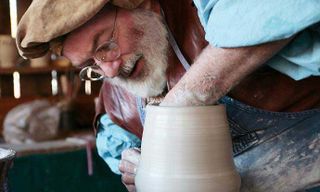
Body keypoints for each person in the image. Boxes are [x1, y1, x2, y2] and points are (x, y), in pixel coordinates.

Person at [17, 0, 320, 191]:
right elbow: (127, 157)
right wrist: (140, 169)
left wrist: (183, 102)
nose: (108, 71)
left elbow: (276, 10)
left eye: (104, 45)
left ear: (138, 3)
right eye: (90, 65)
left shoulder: (200, 8)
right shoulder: (116, 103)